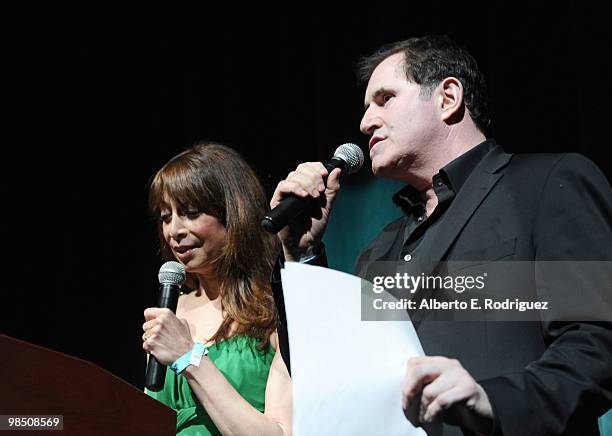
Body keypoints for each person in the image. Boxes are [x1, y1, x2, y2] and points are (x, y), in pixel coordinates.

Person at [271, 35, 612, 435]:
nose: (365, 123)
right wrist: (303, 255)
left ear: (448, 97)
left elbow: (595, 341)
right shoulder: (378, 251)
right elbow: (332, 375)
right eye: (366, 108)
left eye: (385, 99)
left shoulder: (548, 185)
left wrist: (491, 402)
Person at [143, 142, 292, 435]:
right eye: (165, 217)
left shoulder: (276, 307)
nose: (174, 230)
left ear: (233, 213)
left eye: (191, 213)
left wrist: (188, 356)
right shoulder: (170, 311)